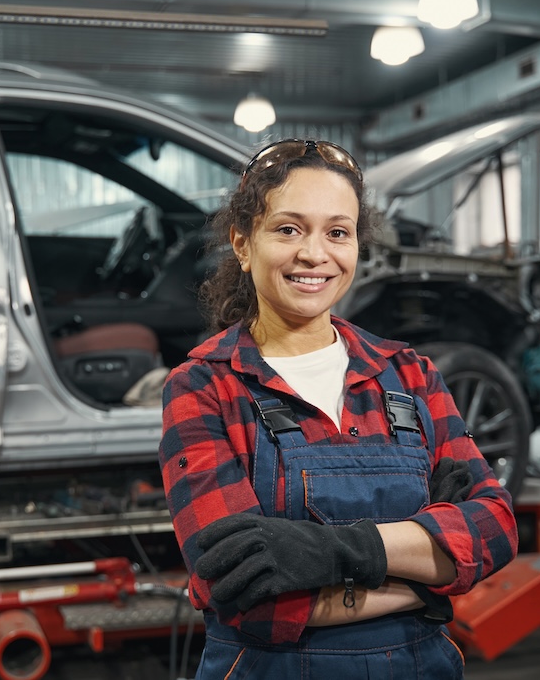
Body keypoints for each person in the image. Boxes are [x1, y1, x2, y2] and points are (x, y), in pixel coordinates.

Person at [159, 138, 518, 678]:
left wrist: (333, 551)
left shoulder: (411, 375)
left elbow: (495, 530)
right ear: (243, 243)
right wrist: (429, 582)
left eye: (337, 232)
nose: (314, 254)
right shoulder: (205, 387)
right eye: (288, 229)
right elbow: (244, 595)